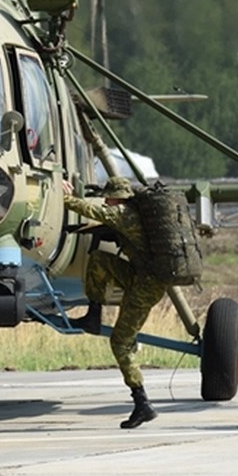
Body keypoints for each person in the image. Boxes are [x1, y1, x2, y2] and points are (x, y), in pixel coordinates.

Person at [64, 177, 167, 429]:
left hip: (146, 286)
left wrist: (63, 196)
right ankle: (94, 313)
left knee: (120, 342)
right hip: (141, 276)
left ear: (117, 198)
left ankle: (142, 403)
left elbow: (90, 210)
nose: (106, 201)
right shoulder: (132, 213)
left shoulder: (122, 214)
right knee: (99, 259)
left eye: (108, 197)